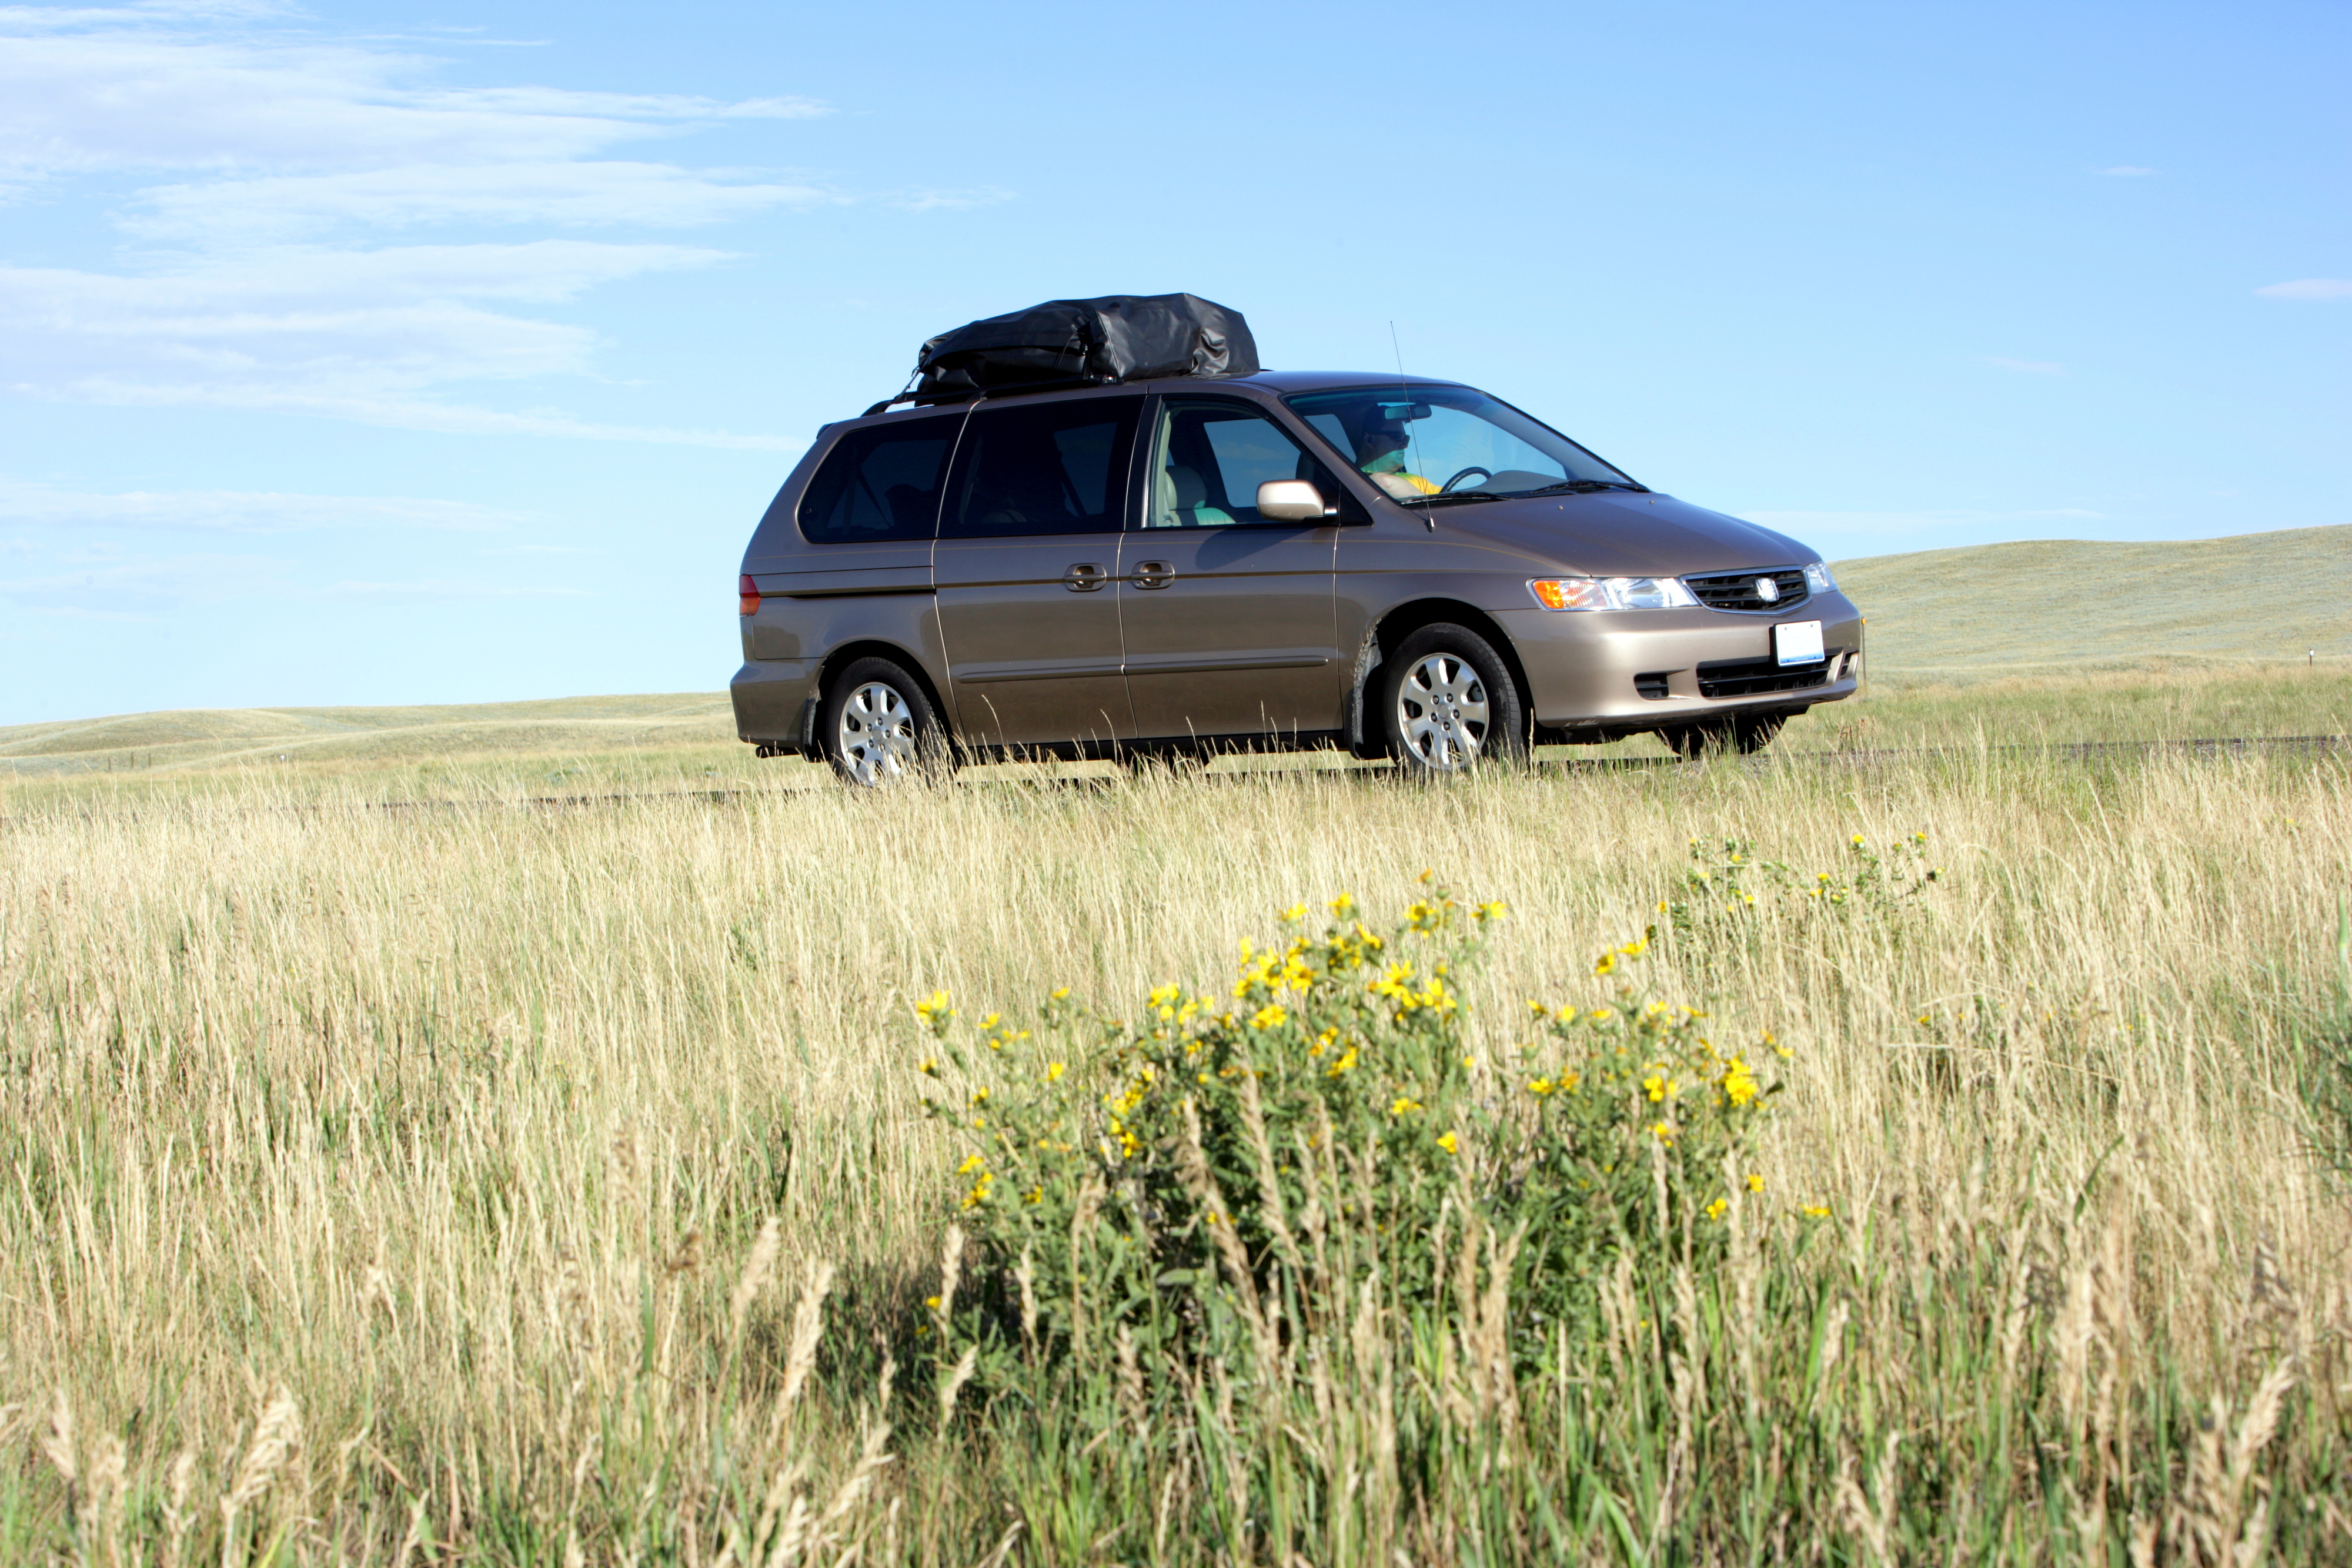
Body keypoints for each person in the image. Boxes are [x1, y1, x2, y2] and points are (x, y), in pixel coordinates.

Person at [1354, 404, 1439, 499]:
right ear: (1369, 440)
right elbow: (1383, 482)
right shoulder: (1347, 479)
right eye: (1398, 437)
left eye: (1406, 439)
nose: (1405, 445)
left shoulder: (1416, 481)